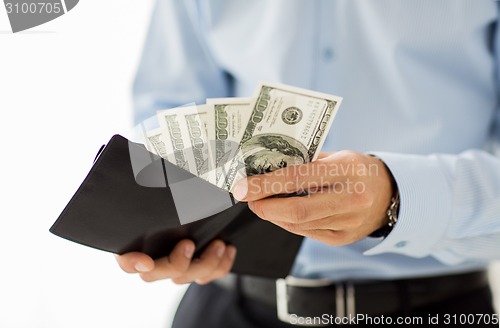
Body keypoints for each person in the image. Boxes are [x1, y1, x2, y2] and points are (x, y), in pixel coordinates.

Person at [116, 1, 500, 327]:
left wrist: (397, 199)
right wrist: (172, 227)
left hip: (433, 310)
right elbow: (168, 111)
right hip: (225, 305)